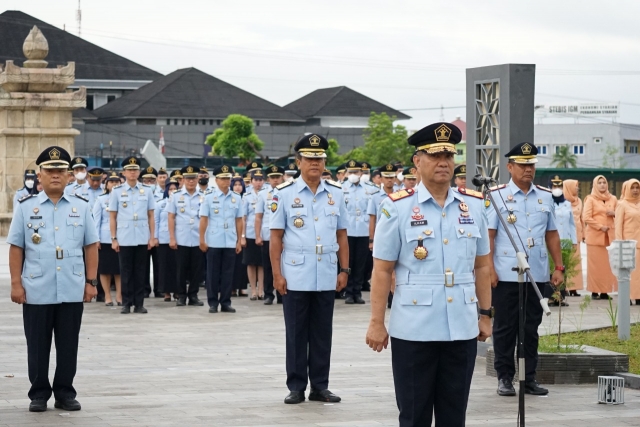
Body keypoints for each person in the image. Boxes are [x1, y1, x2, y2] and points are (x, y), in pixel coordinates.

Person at [365, 122, 492, 426]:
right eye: (435, 156)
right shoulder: (396, 208)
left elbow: (483, 266)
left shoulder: (473, 205)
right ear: (417, 161)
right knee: (413, 415)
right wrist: (376, 323)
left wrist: (485, 314)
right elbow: (382, 270)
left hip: (461, 326)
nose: (443, 162)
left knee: (454, 416)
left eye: (448, 155)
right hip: (414, 328)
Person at [8, 145, 99, 413]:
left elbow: (91, 245)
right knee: (37, 345)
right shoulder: (26, 207)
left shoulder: (81, 207)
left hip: (71, 286)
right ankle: (38, 393)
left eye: (61, 170)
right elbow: (16, 247)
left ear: (70, 175)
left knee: (68, 344)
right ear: (40, 175)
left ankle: (65, 392)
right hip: (37, 286)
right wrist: (16, 283)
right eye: (50, 170)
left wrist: (91, 282)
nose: (55, 175)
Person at [270, 133, 348, 405]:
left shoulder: (336, 193)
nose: (315, 163)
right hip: (295, 273)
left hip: (326, 272)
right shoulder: (284, 193)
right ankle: (296, 386)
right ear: (298, 162)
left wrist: (344, 270)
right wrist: (277, 274)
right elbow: (276, 238)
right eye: (310, 159)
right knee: (296, 332)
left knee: (322, 333)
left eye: (320, 158)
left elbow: (342, 235)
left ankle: (320, 386)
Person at [488, 141, 564, 397]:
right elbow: (489, 235)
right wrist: (489, 268)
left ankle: (529, 377)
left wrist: (559, 266)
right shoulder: (496, 195)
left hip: (536, 273)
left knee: (530, 328)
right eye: (522, 165)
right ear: (510, 167)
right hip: (506, 272)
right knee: (505, 328)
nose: (528, 169)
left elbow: (551, 234)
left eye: (531, 164)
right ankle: (505, 377)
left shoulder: (544, 196)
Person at [109, 156, 156, 314]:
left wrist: (152, 236)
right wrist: (114, 238)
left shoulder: (147, 190)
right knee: (126, 271)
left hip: (142, 236)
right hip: (125, 237)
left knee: (140, 271)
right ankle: (126, 303)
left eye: (135, 170)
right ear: (124, 172)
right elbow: (112, 217)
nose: (133, 173)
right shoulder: (117, 191)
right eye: (129, 170)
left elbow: (151, 215)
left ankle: (139, 303)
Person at [199, 165, 243, 313]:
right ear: (216, 180)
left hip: (230, 240)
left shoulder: (236, 198)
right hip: (214, 240)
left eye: (228, 179)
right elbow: (204, 219)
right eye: (223, 179)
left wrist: (239, 240)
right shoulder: (209, 197)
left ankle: (225, 302)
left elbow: (239, 220)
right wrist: (202, 239)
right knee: (212, 273)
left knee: (228, 273)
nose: (226, 181)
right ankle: (212, 302)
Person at [167, 165, 205, 307]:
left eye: (193, 178)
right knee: (181, 269)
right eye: (188, 178)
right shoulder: (176, 196)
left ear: (197, 179)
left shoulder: (203, 196)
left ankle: (193, 295)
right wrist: (172, 237)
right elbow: (171, 217)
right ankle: (181, 296)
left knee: (196, 269)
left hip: (197, 237)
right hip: (181, 237)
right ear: (182, 179)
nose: (191, 181)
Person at [342, 159, 373, 304]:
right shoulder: (340, 188)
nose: (353, 174)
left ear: (361, 173)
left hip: (363, 231)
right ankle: (348, 292)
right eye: (351, 172)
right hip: (347, 232)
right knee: (348, 262)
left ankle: (357, 291)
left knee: (361, 263)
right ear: (346, 173)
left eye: (356, 172)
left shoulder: (370, 189)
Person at [583, 175, 618, 300]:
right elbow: (586, 217)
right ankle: (594, 291)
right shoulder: (590, 199)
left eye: (604, 182)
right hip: (595, 238)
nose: (602, 185)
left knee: (607, 266)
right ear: (595, 185)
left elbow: (621, 214)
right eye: (600, 183)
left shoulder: (613, 199)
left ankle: (605, 291)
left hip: (609, 238)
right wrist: (599, 226)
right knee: (595, 266)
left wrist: (614, 213)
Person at [255, 165, 285, 305]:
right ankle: (268, 294)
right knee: (268, 266)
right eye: (272, 178)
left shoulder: (287, 192)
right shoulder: (262, 194)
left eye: (277, 177)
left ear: (282, 177)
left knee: (283, 266)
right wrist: (258, 235)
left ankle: (281, 294)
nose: (275, 180)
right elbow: (258, 217)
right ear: (268, 179)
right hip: (268, 235)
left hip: (284, 236)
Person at [93, 171, 123, 306]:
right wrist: (96, 239)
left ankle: (119, 295)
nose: (114, 184)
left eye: (117, 182)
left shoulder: (125, 197)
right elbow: (96, 221)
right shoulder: (100, 199)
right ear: (106, 184)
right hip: (105, 238)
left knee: (119, 269)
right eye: (112, 182)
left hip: (122, 237)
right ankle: (107, 296)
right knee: (105, 269)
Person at [549, 176, 577, 306]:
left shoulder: (567, 204)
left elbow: (572, 224)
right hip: (551, 240)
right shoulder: (548, 202)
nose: (557, 189)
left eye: (559, 187)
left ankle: (560, 296)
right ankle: (550, 296)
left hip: (565, 240)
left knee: (563, 267)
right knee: (551, 268)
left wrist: (574, 240)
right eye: (554, 187)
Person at [615, 179, 640, 305]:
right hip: (629, 244)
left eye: (637, 187)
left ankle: (639, 296)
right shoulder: (622, 204)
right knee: (631, 273)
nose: (635, 190)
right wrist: (620, 244)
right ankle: (629, 296)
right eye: (633, 188)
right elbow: (618, 225)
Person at [242, 169, 265, 300]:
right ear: (251, 182)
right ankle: (253, 290)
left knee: (261, 263)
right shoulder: (247, 197)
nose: (258, 183)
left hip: (263, 233)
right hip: (250, 233)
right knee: (250, 263)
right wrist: (243, 237)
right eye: (255, 180)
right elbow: (243, 218)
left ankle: (261, 289)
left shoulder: (267, 194)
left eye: (260, 180)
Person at [155, 179, 180, 302]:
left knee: (177, 266)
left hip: (178, 238)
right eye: (170, 189)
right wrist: (155, 237)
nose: (172, 191)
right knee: (164, 266)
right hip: (163, 239)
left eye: (175, 189)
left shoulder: (181, 202)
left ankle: (176, 291)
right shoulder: (160, 204)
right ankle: (166, 292)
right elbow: (156, 221)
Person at [141, 166, 161, 298]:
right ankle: (144, 289)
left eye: (152, 180)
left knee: (159, 264)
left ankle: (159, 289)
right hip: (143, 235)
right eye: (146, 180)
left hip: (158, 236)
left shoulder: (162, 195)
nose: (149, 183)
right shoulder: (139, 194)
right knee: (143, 265)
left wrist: (156, 236)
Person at [563, 179, 585, 296]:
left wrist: (584, 234)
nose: (577, 188)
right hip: (565, 236)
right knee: (566, 262)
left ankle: (574, 288)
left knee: (576, 263)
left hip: (577, 236)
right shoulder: (561, 201)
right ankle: (565, 287)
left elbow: (582, 218)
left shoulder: (579, 201)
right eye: (575, 186)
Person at [230, 174, 249, 297]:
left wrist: (242, 236)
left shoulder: (246, 198)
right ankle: (232, 287)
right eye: (235, 185)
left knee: (242, 263)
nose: (237, 187)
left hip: (243, 234)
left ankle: (242, 287)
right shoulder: (230, 198)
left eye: (239, 185)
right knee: (232, 262)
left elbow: (244, 218)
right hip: (231, 233)